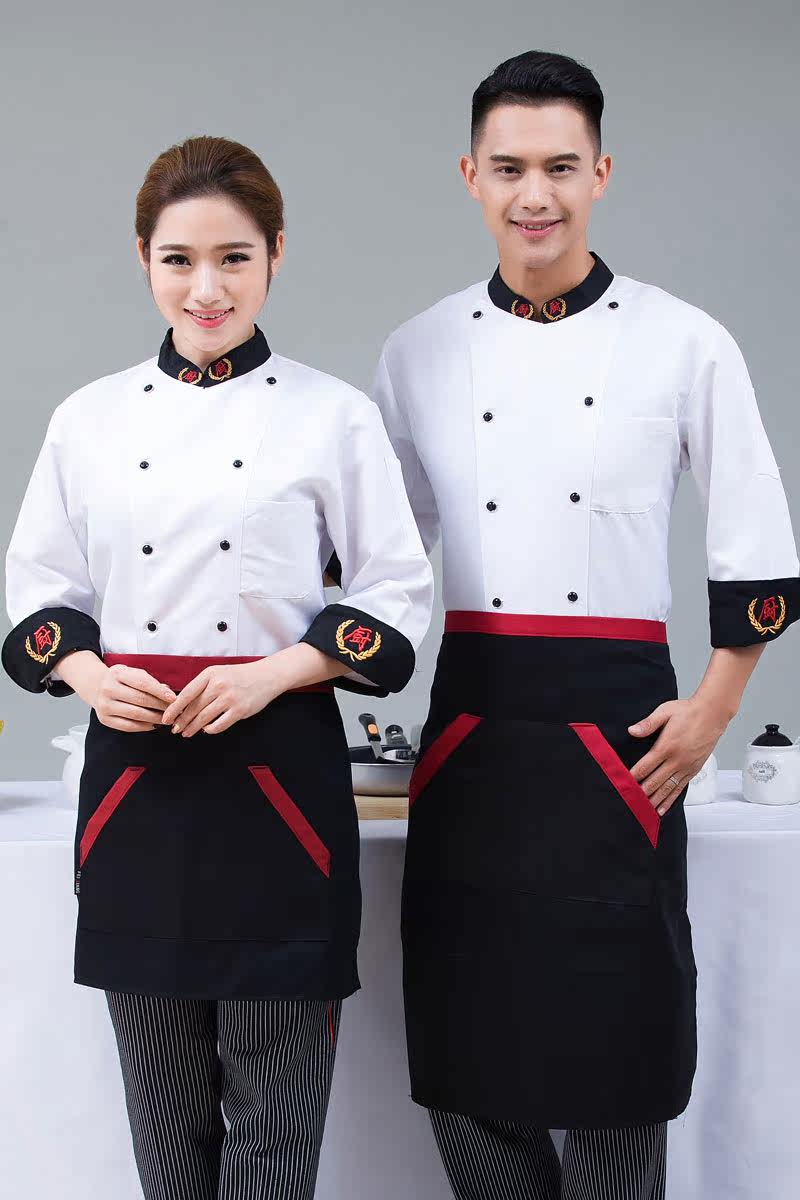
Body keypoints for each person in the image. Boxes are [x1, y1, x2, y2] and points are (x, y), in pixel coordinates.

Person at [370, 51, 800, 1200]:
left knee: (619, 1053)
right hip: (471, 735)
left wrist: (714, 708)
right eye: (509, 167)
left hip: (621, 740)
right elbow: (382, 563)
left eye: (560, 167)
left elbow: (755, 535)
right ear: (469, 175)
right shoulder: (415, 351)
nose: (535, 194)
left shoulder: (682, 341)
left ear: (599, 174)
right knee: (464, 1049)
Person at [2, 135, 433, 1200]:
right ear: (142, 259)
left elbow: (394, 593)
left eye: (234, 258)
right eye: (179, 259)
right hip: (136, 787)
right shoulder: (89, 419)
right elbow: (38, 589)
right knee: (164, 1119)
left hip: (280, 782)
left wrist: (272, 673)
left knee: (275, 1125)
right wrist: (87, 674)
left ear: (277, 253)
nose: (207, 288)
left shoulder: (332, 415)